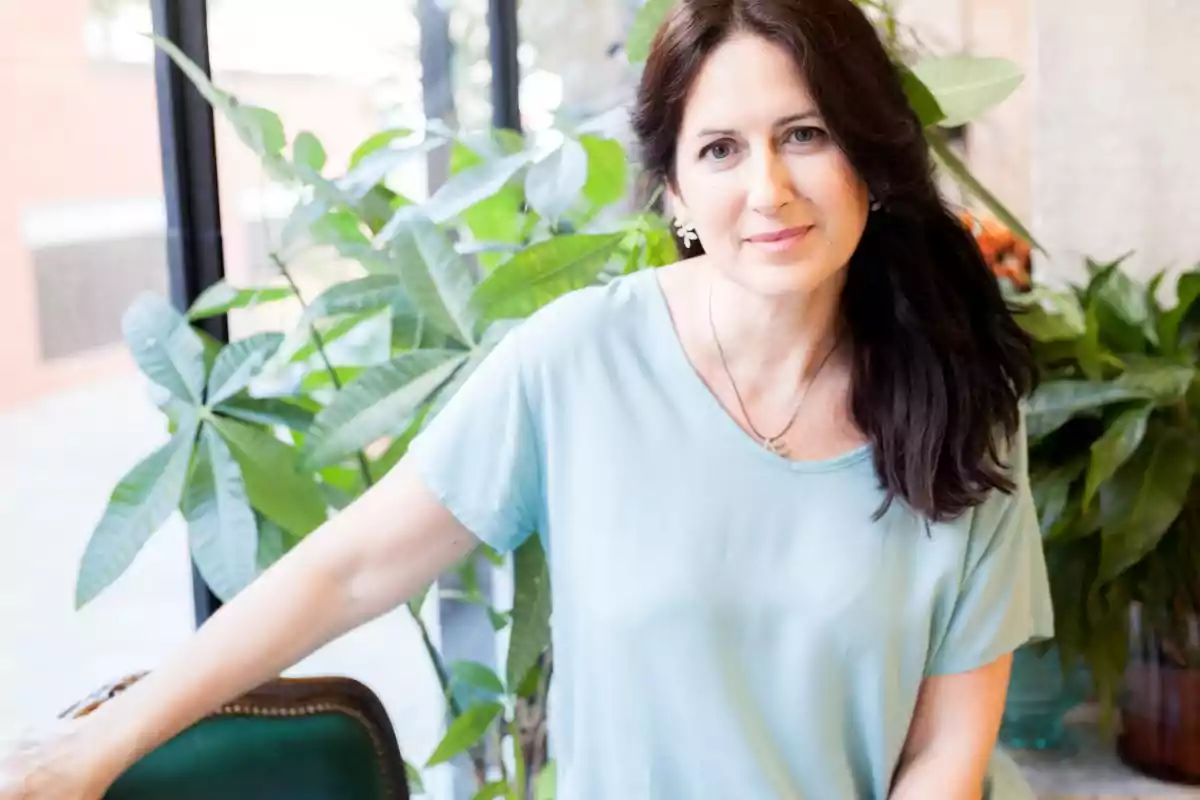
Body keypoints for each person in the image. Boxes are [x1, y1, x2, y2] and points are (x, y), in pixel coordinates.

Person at [1, 0, 1054, 797]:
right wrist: (102, 743)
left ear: (870, 155)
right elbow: (349, 566)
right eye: (721, 149)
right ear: (677, 191)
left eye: (806, 134)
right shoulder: (577, 361)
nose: (767, 189)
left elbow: (948, 749)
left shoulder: (959, 396)